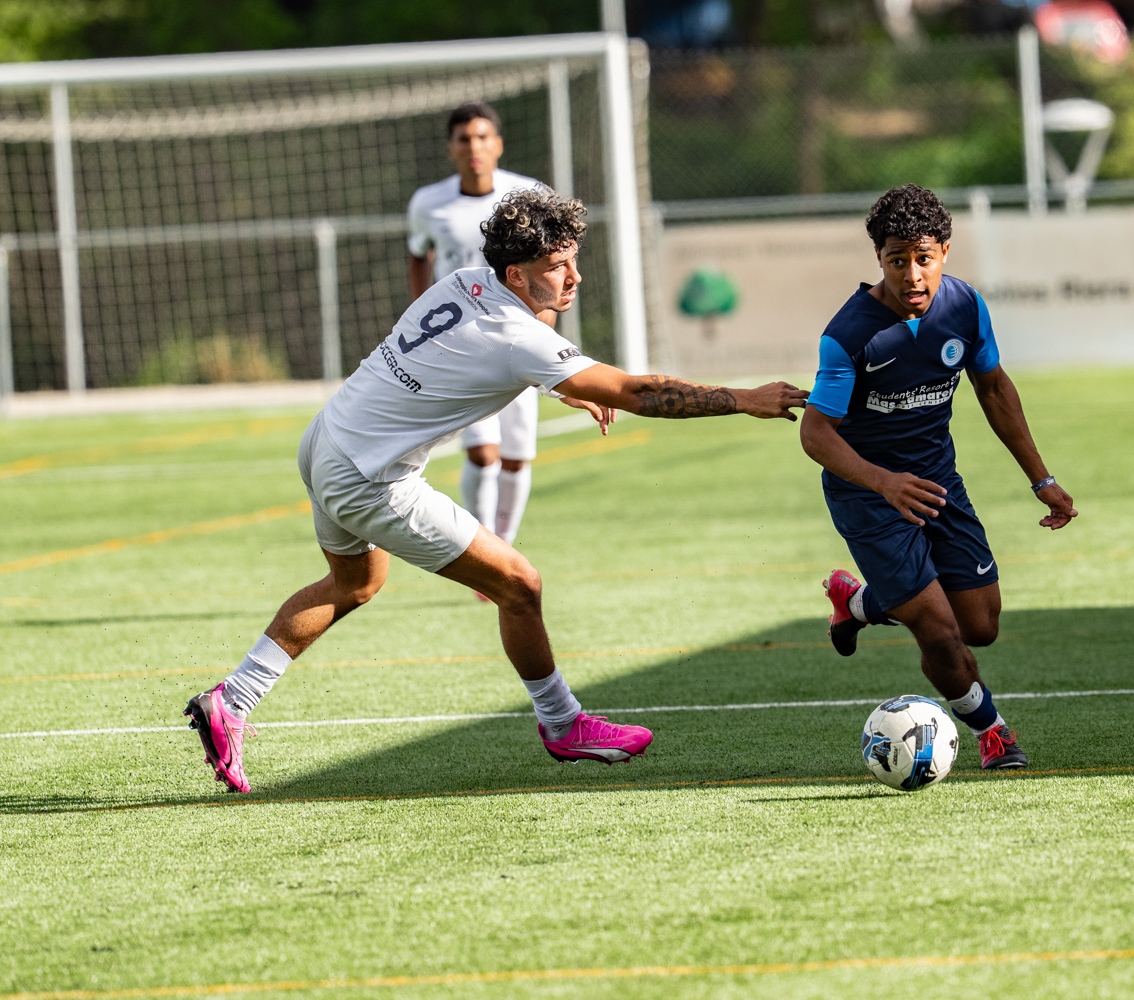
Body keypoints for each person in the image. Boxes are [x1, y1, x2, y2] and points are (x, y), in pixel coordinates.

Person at [187, 188, 807, 793]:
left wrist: (564, 383)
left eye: (573, 260)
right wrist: (743, 398)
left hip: (326, 440)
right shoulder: (518, 338)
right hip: (369, 478)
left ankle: (231, 700)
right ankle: (564, 725)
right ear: (516, 273)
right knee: (519, 585)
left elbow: (479, 353)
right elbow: (638, 392)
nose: (574, 278)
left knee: (354, 584)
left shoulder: (463, 283)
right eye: (556, 266)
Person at [800, 184, 1078, 771]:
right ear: (878, 258)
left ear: (944, 252)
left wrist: (1041, 479)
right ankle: (992, 732)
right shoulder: (849, 335)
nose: (912, 275)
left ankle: (858, 604)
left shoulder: (964, 306)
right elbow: (816, 434)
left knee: (980, 626)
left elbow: (994, 389)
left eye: (923, 258)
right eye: (897, 260)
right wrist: (883, 482)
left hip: (936, 483)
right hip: (867, 496)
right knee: (940, 631)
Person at [408, 101, 560, 550]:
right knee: (481, 450)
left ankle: (503, 545)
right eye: (464, 139)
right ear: (451, 148)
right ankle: (484, 549)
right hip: (463, 343)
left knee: (515, 457)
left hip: (519, 335)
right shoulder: (429, 203)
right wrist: (421, 315)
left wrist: (546, 319)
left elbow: (551, 260)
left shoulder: (527, 195)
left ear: (498, 144)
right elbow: (418, 257)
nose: (473, 147)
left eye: (481, 137)